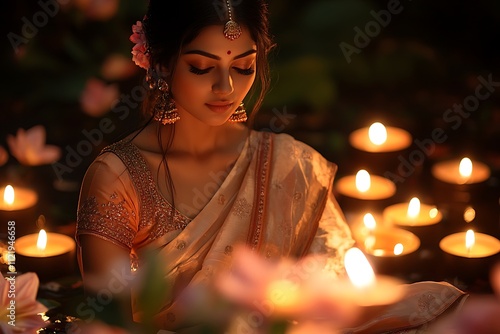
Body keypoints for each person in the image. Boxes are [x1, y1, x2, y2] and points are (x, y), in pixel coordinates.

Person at [75, 1, 498, 333]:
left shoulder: (286, 164)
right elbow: (109, 322)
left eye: (243, 67)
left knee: (442, 305)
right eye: (202, 67)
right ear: (161, 62)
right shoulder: (117, 177)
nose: (227, 89)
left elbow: (333, 288)